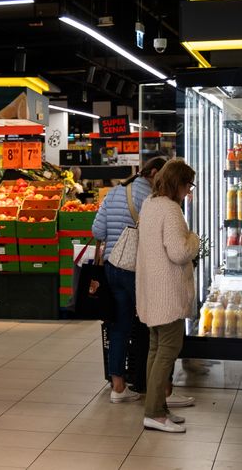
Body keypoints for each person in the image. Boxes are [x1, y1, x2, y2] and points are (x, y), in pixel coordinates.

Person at [92, 156, 166, 403]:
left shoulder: (114, 192)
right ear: (154, 173)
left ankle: (118, 387)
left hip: (113, 266)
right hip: (137, 268)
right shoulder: (151, 197)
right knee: (154, 325)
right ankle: (157, 385)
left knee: (119, 327)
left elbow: (97, 232)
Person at [136, 159, 201, 433]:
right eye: (188, 186)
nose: (189, 192)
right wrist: (195, 239)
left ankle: (158, 408)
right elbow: (178, 252)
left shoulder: (150, 204)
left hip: (150, 290)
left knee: (155, 348)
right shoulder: (172, 210)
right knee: (169, 350)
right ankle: (154, 413)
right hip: (168, 294)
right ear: (179, 183)